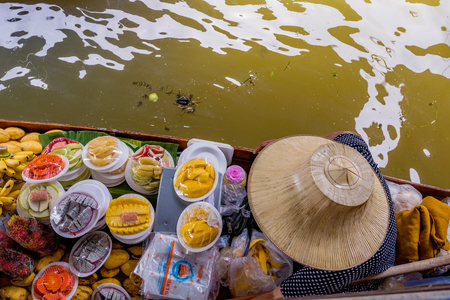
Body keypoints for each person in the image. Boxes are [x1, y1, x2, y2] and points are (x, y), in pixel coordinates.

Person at [247, 131, 397, 299]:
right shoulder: (349, 157)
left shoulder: (338, 264)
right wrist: (283, 143)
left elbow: (277, 296)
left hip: (357, 279)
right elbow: (348, 134)